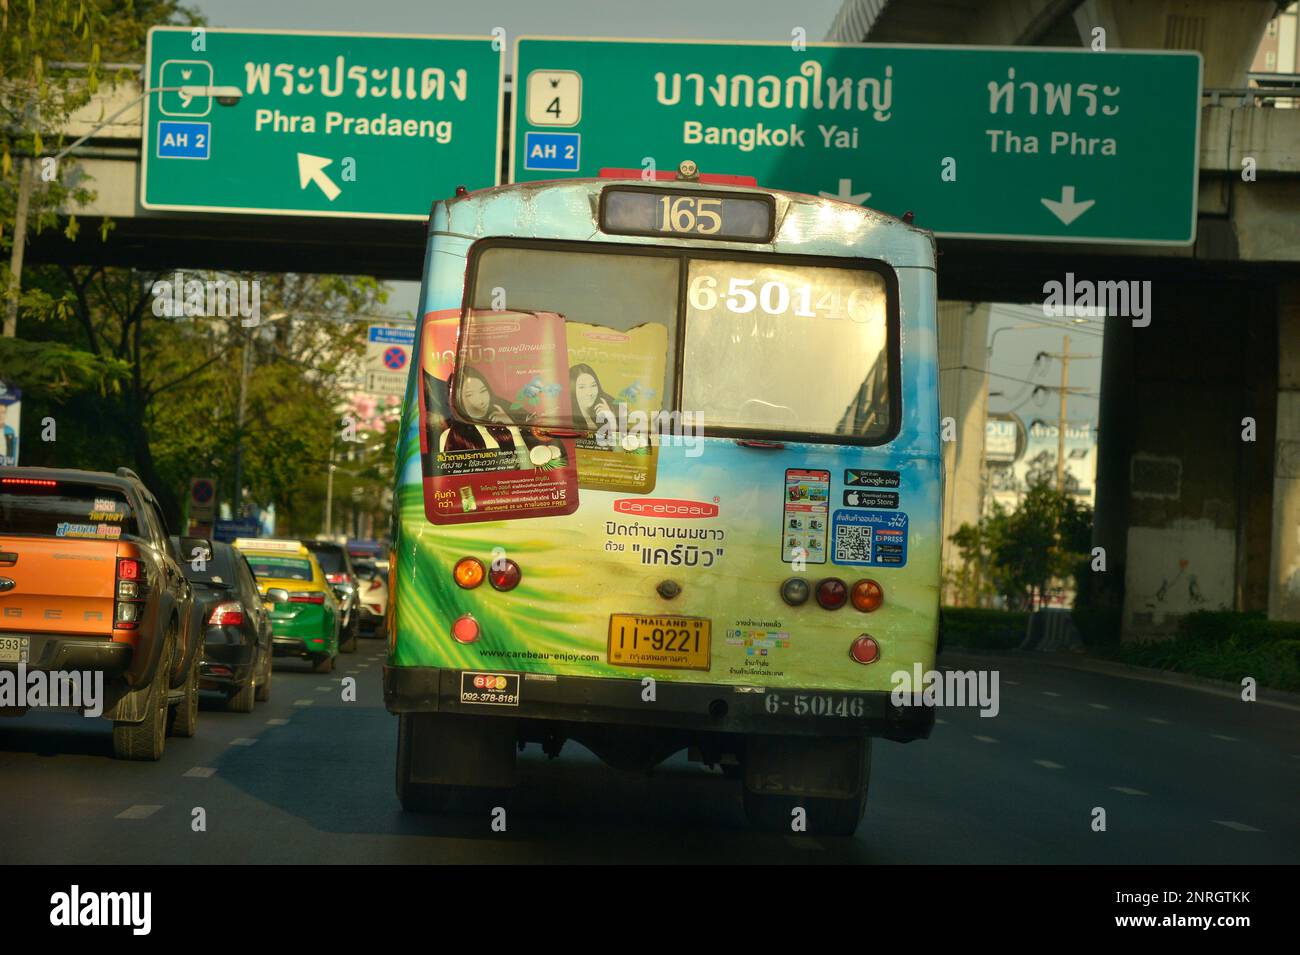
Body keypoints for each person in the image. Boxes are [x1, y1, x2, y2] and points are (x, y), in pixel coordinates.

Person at [569, 363, 618, 431]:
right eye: (582, 387)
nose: (589, 393)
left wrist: (611, 418)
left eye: (593, 385)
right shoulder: (569, 421)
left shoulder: (603, 411)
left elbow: (616, 439)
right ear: (572, 390)